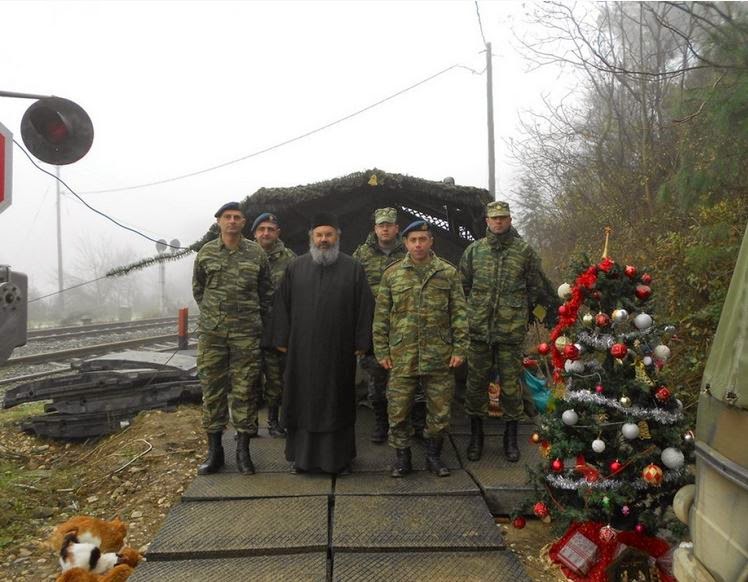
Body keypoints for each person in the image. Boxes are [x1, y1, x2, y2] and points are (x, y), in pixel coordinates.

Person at [271, 212, 374, 475]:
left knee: (336, 403)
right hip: (301, 353)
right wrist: (281, 340)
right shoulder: (296, 267)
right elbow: (282, 305)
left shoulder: (353, 267)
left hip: (338, 352)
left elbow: (365, 307)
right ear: (311, 238)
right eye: (319, 235)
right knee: (302, 403)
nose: (324, 240)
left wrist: (363, 341)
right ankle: (302, 459)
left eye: (329, 235)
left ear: (337, 237)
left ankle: (338, 460)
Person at [459, 200, 555, 463]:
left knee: (511, 387)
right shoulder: (474, 251)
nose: (498, 222)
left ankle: (510, 439)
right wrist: (474, 312)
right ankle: (476, 437)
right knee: (476, 385)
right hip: (478, 330)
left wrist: (519, 313)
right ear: (487, 222)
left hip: (510, 332)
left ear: (510, 220)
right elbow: (463, 286)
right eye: (494, 218)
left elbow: (535, 287)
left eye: (503, 218)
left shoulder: (524, 252)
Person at [373, 220, 469, 478]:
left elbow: (459, 313)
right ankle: (402, 458)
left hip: (439, 355)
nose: (418, 244)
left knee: (439, 411)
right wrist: (381, 351)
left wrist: (460, 348)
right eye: (413, 240)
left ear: (430, 241)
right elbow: (381, 317)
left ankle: (433, 456)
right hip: (402, 355)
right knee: (398, 409)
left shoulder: (447, 273)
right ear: (405, 243)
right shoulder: (392, 274)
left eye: (422, 239)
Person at [192, 202, 273, 475]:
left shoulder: (256, 253)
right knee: (212, 391)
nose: (232, 221)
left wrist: (252, 321)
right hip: (212, 335)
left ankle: (243, 452)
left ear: (243, 222)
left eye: (237, 217)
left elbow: (266, 293)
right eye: (227, 217)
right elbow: (199, 290)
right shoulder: (206, 253)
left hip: (246, 335)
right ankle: (215, 453)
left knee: (245, 391)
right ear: (218, 222)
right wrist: (216, 317)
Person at [352, 207, 407, 444]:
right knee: (376, 383)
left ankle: (403, 426)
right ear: (375, 228)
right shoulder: (361, 254)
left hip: (403, 328)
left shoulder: (408, 251)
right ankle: (381, 423)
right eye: (381, 225)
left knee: (405, 383)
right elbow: (351, 287)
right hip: (373, 328)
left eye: (389, 225)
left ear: (396, 228)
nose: (385, 229)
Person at [251, 212, 296, 438]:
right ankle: (247, 426)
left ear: (277, 233)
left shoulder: (290, 259)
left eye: (270, 229)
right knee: (247, 377)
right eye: (262, 229)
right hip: (247, 328)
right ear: (255, 233)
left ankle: (273, 421)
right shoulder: (244, 255)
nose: (266, 233)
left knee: (276, 378)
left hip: (277, 327)